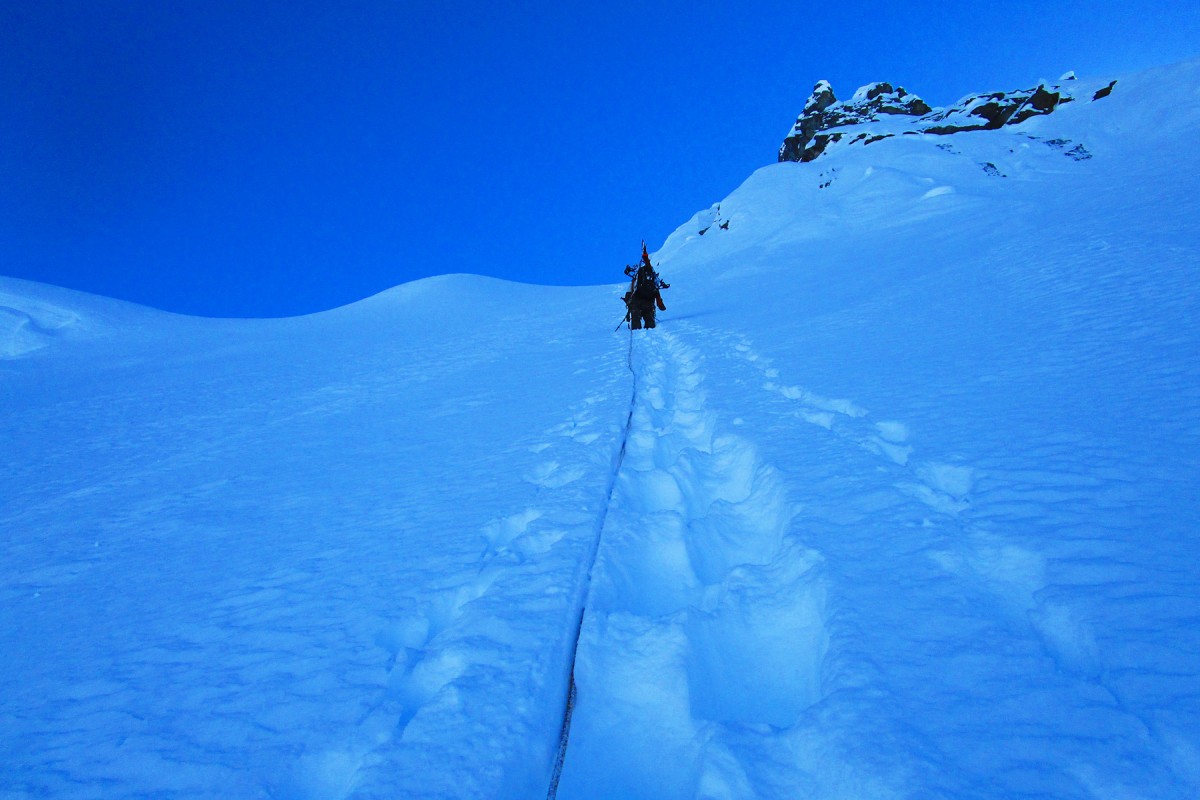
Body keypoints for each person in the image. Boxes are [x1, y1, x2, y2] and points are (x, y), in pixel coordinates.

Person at [622, 256, 668, 330]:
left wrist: (629, 304)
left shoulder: (638, 273)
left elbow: (629, 292)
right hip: (649, 300)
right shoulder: (652, 274)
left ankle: (636, 330)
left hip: (636, 299)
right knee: (649, 320)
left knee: (636, 320)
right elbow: (657, 289)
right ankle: (650, 329)